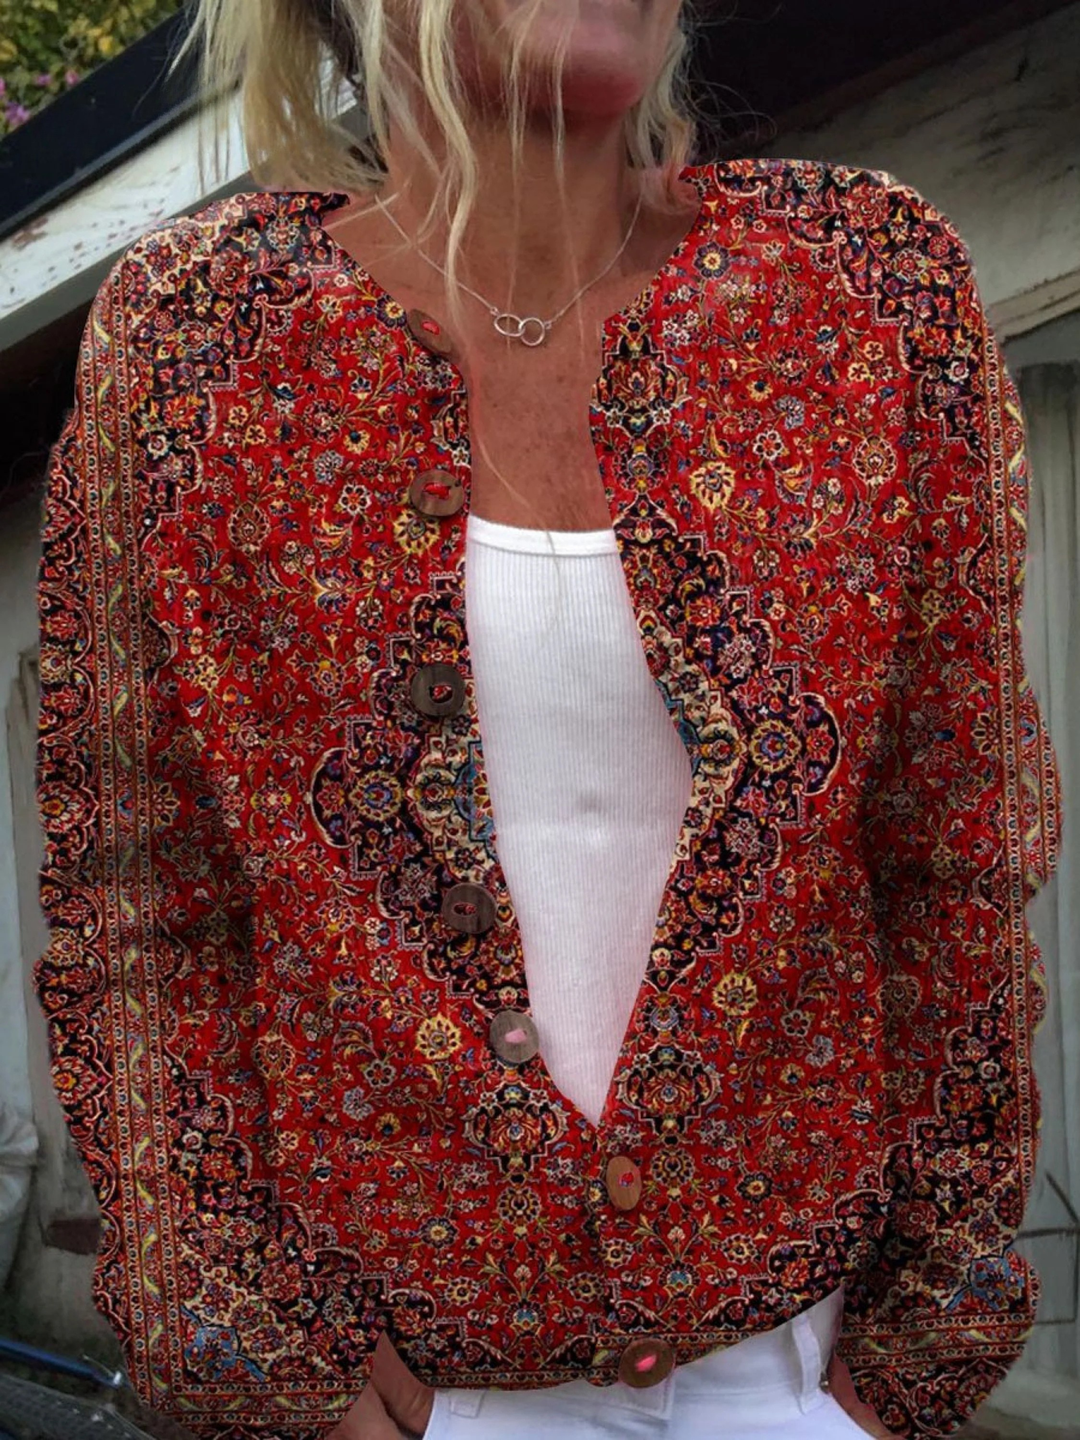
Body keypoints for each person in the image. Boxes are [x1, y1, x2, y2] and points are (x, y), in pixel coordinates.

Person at [33, 1, 1059, 1438]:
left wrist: (915, 1354)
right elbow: (139, 894)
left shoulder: (864, 283)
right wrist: (261, 1361)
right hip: (404, 1397)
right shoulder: (197, 339)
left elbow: (960, 838)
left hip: (799, 1379)